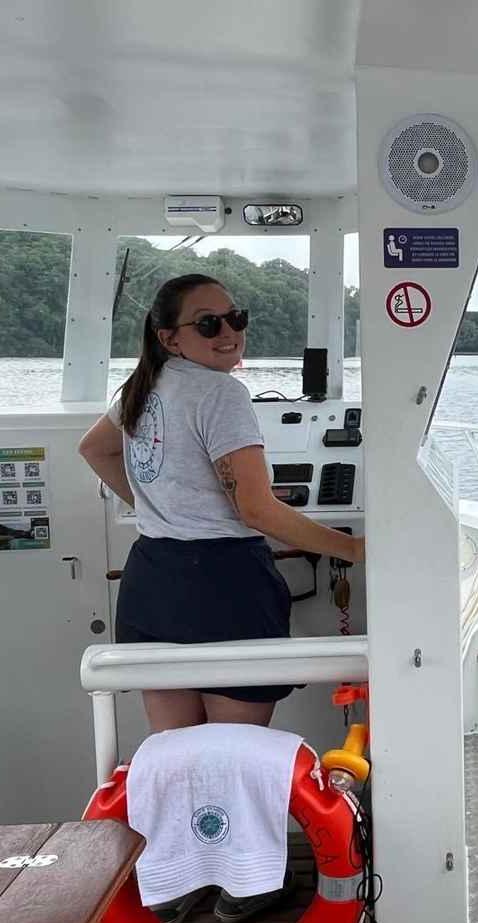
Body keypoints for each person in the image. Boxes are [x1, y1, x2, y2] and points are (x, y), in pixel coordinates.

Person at [80, 273, 364, 733]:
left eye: (235, 318)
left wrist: (158, 506)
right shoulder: (221, 393)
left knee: (176, 754)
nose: (229, 332)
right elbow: (255, 509)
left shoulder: (145, 384)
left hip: (152, 578)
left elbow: (94, 448)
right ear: (168, 338)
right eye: (208, 324)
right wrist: (352, 549)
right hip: (223, 586)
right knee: (234, 755)